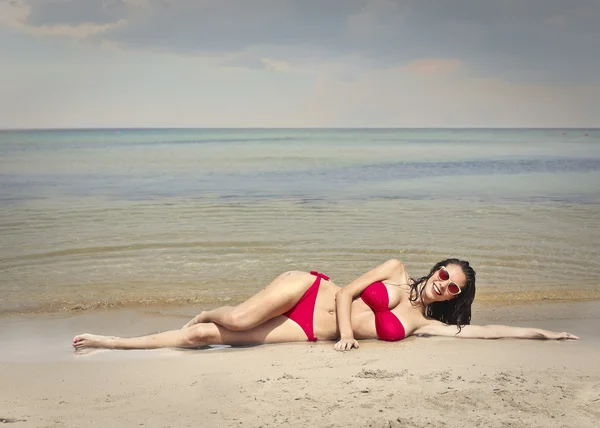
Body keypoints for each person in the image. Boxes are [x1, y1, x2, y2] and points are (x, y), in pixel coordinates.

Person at [72, 258, 579, 351]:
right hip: (308, 290)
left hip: (309, 333)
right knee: (231, 319)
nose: (445, 284)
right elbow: (344, 292)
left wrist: (543, 334)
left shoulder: (425, 326)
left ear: (457, 296)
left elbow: (483, 332)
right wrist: (352, 336)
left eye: (455, 287)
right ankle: (207, 308)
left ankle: (112, 342)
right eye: (446, 274)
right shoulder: (397, 271)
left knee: (206, 342)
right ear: (437, 268)